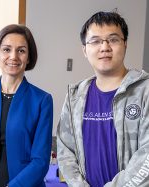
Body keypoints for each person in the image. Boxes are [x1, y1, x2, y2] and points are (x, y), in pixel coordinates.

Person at [57, 11, 149, 187]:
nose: (105, 47)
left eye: (113, 39)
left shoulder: (144, 91)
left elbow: (146, 158)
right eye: (96, 41)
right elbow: (65, 150)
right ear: (84, 49)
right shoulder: (75, 97)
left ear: (125, 44)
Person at [0, 24, 53, 187]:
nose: (13, 56)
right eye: (6, 49)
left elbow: (40, 161)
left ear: (28, 57)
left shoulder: (42, 100)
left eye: (21, 50)